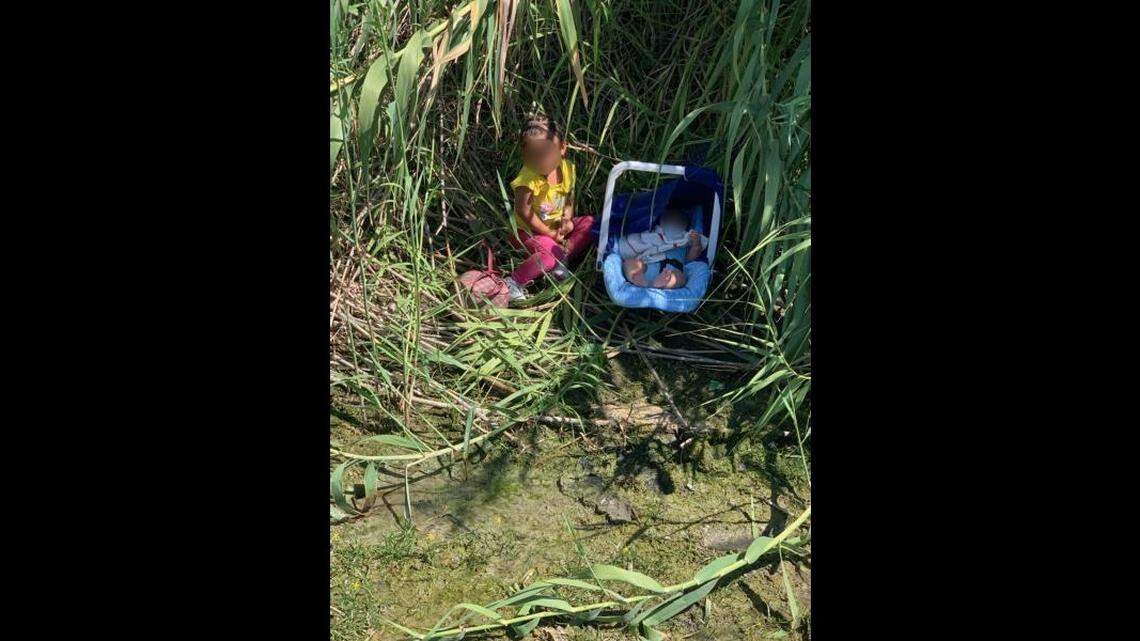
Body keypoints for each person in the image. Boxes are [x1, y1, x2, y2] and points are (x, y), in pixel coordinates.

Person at [501, 115, 595, 302]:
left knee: (591, 223)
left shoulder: (568, 168)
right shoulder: (527, 180)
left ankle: (562, 259)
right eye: (533, 156)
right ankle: (513, 282)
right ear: (524, 154)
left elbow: (569, 197)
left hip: (555, 228)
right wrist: (548, 233)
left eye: (547, 154)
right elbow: (523, 211)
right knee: (549, 254)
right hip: (528, 232)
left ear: (562, 148)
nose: (541, 161)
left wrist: (567, 219)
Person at [619, 208, 708, 289]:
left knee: (680, 277)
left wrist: (696, 244)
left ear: (686, 226)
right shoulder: (654, 234)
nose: (673, 222)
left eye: (679, 221)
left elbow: (691, 258)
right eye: (668, 219)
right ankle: (638, 279)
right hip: (647, 266)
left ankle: (659, 284)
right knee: (630, 263)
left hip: (671, 271)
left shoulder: (685, 241)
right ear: (660, 222)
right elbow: (640, 242)